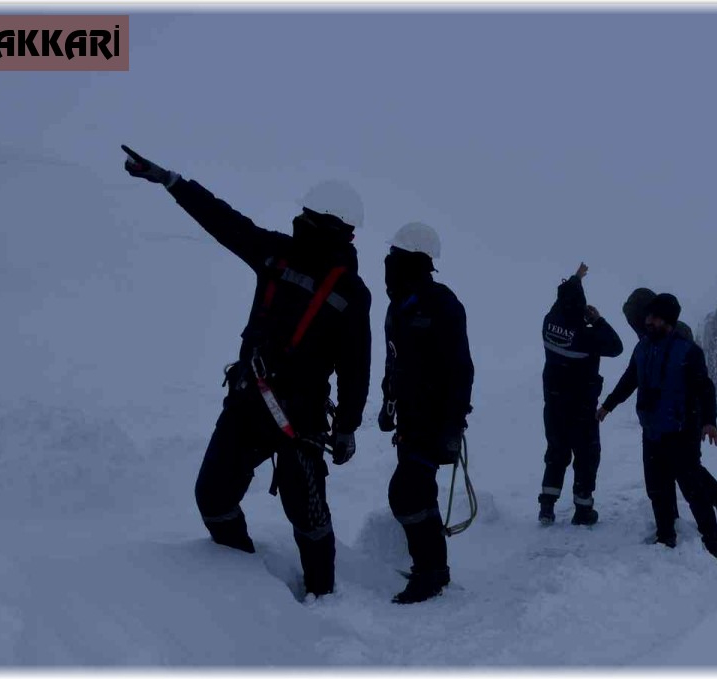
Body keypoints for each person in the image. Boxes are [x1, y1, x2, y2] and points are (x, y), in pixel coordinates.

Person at [121, 145, 372, 600]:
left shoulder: (352, 293)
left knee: (309, 518)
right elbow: (224, 222)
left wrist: (348, 427)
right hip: (248, 403)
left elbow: (356, 367)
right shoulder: (274, 253)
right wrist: (173, 182)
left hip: (302, 424)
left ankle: (323, 598)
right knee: (212, 496)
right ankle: (239, 584)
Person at [378, 221, 474, 604]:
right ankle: (433, 568)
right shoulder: (396, 308)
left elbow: (461, 369)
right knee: (418, 494)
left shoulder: (443, 303)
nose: (388, 265)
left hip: (434, 421)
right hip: (408, 420)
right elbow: (393, 362)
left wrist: (452, 426)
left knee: (407, 494)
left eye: (397, 259)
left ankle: (431, 572)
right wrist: (388, 405)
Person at [598, 293, 717, 563]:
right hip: (652, 431)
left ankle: (714, 547)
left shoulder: (688, 352)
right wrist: (608, 406)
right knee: (657, 489)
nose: (648, 321)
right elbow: (629, 379)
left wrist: (710, 421)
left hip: (682, 432)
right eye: (647, 316)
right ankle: (665, 536)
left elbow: (705, 388)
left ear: (667, 321)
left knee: (694, 492)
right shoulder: (643, 348)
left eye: (653, 317)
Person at [621, 288, 717, 535]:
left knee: (687, 471)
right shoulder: (655, 333)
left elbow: (696, 381)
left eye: (636, 320)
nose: (639, 326)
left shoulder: (675, 335)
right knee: (684, 470)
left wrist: (704, 419)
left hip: (683, 415)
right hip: (668, 416)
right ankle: (710, 512)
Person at [538, 263, 624, 526]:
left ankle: (547, 508)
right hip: (581, 407)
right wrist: (597, 320)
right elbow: (616, 347)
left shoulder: (549, 322)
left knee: (556, 452)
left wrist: (576, 278)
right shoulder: (588, 337)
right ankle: (583, 510)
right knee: (586, 457)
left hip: (553, 404)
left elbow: (562, 302)